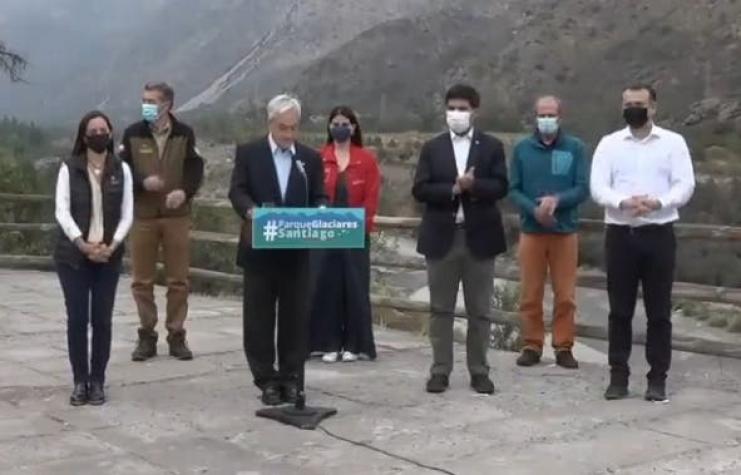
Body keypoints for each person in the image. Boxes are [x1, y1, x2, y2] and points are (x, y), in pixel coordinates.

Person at [590, 84, 695, 402]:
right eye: (628, 103)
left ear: (653, 107)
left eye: (639, 103)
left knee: (659, 312)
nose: (633, 108)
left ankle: (657, 378)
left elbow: (685, 184)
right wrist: (623, 202)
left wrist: (658, 202)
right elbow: (598, 186)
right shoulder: (609, 144)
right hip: (621, 235)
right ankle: (618, 377)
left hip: (658, 234)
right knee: (619, 311)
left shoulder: (673, 143)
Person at [228, 94, 327, 406]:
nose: (288, 135)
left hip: (295, 253)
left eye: (293, 128)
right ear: (270, 124)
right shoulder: (249, 153)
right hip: (260, 250)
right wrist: (250, 210)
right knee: (258, 319)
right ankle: (266, 379)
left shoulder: (308, 160)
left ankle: (290, 377)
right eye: (283, 128)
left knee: (295, 319)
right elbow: (237, 190)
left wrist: (322, 209)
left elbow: (319, 194)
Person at [412, 84, 509, 394]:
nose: (456, 113)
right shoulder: (432, 147)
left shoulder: (492, 146)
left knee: (479, 310)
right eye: (451, 107)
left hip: (479, 238)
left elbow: (501, 187)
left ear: (474, 111)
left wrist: (473, 185)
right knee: (440, 309)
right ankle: (440, 370)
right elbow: (420, 189)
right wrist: (453, 189)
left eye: (462, 108)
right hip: (442, 237)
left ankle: (479, 371)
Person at [54, 111, 134, 406]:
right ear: (84, 135)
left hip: (108, 257)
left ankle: (98, 380)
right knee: (77, 319)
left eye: (104, 129)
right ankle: (79, 380)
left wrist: (112, 245)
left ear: (111, 133)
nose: (99, 134)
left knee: (102, 320)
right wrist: (82, 243)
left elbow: (128, 213)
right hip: (73, 257)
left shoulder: (121, 169)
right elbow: (61, 210)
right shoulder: (69, 167)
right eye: (93, 129)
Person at [120, 82, 204, 362]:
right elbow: (122, 171)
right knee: (141, 280)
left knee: (178, 280)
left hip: (176, 217)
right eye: (144, 100)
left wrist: (184, 192)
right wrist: (143, 182)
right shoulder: (133, 133)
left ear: (168, 104)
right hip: (143, 216)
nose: (147, 105)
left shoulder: (184, 134)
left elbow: (195, 168)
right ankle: (146, 335)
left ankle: (177, 335)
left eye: (152, 101)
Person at [509, 95, 589, 369]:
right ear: (535, 117)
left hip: (565, 232)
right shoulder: (522, 149)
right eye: (541, 115)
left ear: (560, 116)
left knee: (565, 294)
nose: (546, 119)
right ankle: (532, 344)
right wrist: (534, 210)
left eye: (550, 114)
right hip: (532, 231)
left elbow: (582, 188)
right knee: (530, 293)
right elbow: (513, 189)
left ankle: (563, 346)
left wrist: (557, 201)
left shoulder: (575, 148)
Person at [309, 106, 381, 363]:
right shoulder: (319, 158)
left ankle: (355, 344)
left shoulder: (367, 160)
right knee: (325, 286)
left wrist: (362, 225)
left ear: (353, 127)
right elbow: (313, 194)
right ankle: (327, 343)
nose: (340, 127)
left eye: (345, 123)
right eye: (335, 123)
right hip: (325, 232)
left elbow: (371, 198)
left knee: (355, 286)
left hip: (355, 232)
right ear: (329, 127)